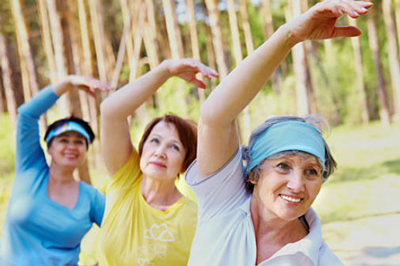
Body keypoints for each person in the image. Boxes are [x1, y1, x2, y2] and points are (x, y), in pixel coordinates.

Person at [185, 0, 373, 265]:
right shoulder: (223, 202)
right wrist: (289, 36)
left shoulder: (320, 261)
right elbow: (215, 117)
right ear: (254, 173)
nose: (297, 185)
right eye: (283, 166)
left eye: (311, 171)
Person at [97, 58, 218, 266]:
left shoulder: (195, 219)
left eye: (174, 147)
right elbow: (110, 111)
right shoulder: (125, 179)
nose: (160, 152)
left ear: (184, 163)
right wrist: (166, 70)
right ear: (142, 148)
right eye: (155, 141)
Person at [0, 75, 111, 266]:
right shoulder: (30, 170)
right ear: (49, 147)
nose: (71, 146)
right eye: (63, 140)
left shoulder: (92, 198)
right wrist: (67, 82)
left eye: (79, 142)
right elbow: (26, 115)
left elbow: (126, 230)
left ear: (85, 150)